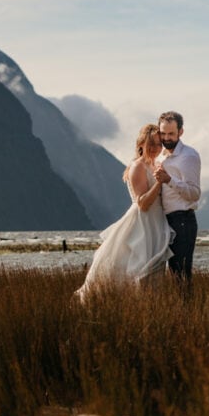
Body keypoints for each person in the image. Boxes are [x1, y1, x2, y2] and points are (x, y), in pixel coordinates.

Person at [74, 123, 174, 300]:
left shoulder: (154, 165)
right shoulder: (138, 166)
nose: (156, 148)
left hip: (157, 224)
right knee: (139, 268)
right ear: (141, 143)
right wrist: (159, 183)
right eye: (152, 144)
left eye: (159, 144)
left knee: (155, 271)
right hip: (143, 225)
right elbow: (142, 203)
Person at [152, 111, 201, 285]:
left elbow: (195, 193)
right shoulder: (160, 156)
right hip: (163, 221)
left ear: (181, 132)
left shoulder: (189, 156)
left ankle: (188, 311)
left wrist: (169, 180)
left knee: (181, 276)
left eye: (171, 133)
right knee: (169, 276)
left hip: (183, 220)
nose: (166, 138)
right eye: (163, 133)